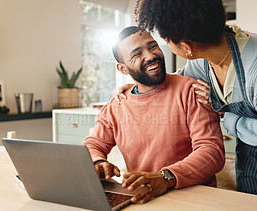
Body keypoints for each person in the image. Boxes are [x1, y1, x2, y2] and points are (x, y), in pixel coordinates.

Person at [124, 0, 257, 210]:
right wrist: (134, 89)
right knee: (253, 204)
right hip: (253, 137)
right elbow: (178, 81)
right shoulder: (201, 61)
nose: (167, 46)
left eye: (167, 42)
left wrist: (223, 113)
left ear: (187, 47)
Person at [83, 26, 225, 204]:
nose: (150, 56)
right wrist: (98, 162)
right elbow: (91, 144)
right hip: (144, 198)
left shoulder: (191, 90)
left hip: (194, 199)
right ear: (123, 69)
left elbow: (212, 152)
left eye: (152, 46)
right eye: (137, 54)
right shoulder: (116, 105)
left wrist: (166, 177)